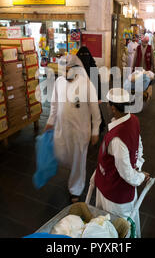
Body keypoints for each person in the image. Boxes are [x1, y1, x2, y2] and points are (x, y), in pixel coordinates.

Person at [44, 55, 101, 203]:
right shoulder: (59, 82)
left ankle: (75, 190)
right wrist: (51, 121)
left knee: (78, 161)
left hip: (80, 132)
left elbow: (95, 111)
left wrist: (95, 131)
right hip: (62, 129)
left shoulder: (87, 85)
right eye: (64, 70)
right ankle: (74, 173)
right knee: (62, 154)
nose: (66, 73)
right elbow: (54, 104)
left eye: (69, 69)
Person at [94, 88, 150, 238]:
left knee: (115, 227)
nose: (107, 107)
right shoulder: (133, 119)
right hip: (114, 181)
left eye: (108, 105)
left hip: (114, 192)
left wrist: (140, 176)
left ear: (113, 108)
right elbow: (139, 144)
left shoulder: (117, 139)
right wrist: (137, 164)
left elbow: (126, 173)